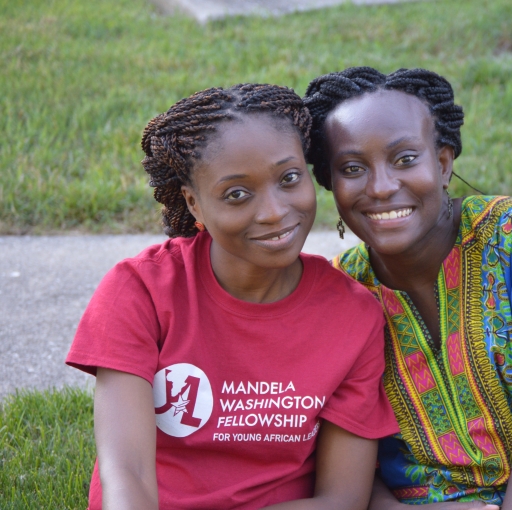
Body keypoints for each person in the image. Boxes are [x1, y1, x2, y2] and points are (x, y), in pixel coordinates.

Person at [303, 67, 512, 510]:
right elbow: (351, 455)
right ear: (331, 184)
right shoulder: (339, 289)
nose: (381, 187)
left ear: (442, 163)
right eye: (352, 168)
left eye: (405, 159)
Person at [66, 83, 399, 510]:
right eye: (237, 194)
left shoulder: (353, 316)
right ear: (194, 205)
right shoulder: (141, 290)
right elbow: (125, 474)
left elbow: (341, 499)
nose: (274, 211)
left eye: (289, 178)